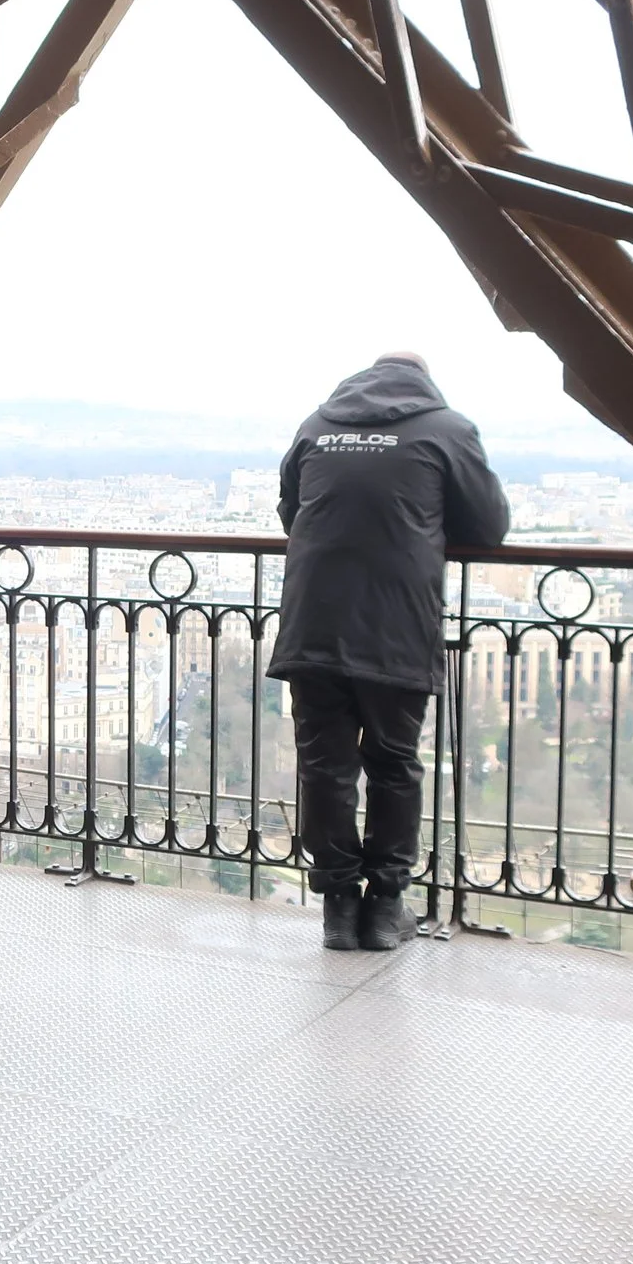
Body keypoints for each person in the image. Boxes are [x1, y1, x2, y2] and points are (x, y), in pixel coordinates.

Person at [267, 351, 508, 953]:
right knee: (394, 763)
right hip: (396, 620)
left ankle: (338, 911)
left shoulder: (315, 427)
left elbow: (290, 513)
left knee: (325, 765)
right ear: (423, 383)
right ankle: (385, 909)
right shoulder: (448, 430)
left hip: (314, 618)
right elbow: (488, 527)